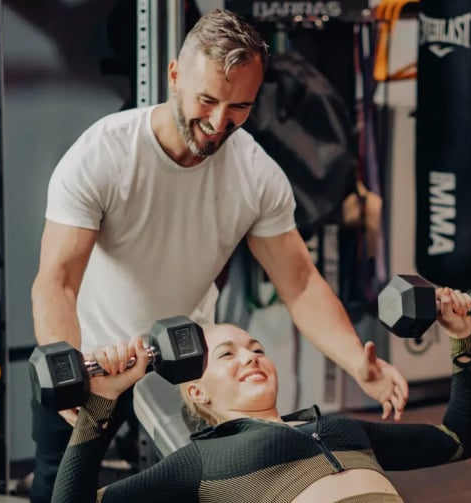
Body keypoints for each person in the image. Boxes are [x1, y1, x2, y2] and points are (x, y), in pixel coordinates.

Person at [30, 8, 408, 503]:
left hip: (190, 357)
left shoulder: (256, 173)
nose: (217, 122)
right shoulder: (103, 154)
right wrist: (71, 370)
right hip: (99, 355)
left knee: (208, 490)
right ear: (174, 75)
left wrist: (361, 364)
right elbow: (56, 281)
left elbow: (300, 282)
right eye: (207, 99)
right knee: (57, 490)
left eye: (239, 107)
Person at [51, 287, 471, 502]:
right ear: (198, 391)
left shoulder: (338, 428)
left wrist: (463, 341)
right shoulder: (206, 461)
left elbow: (459, 440)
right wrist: (102, 402)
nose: (251, 357)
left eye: (256, 349)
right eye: (228, 354)